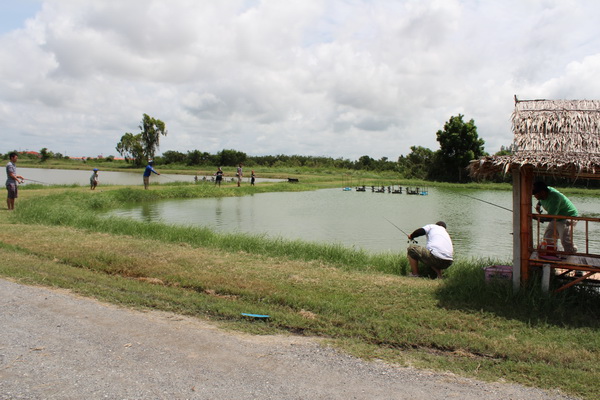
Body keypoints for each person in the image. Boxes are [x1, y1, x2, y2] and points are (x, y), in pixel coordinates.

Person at [532, 181, 578, 253]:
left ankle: (571, 257)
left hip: (568, 217)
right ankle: (551, 254)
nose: (534, 196)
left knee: (565, 240)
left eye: (535, 194)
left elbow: (550, 217)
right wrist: (538, 205)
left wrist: (537, 217)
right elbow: (541, 200)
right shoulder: (546, 191)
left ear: (542, 192)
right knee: (548, 237)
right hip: (557, 217)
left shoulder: (555, 198)